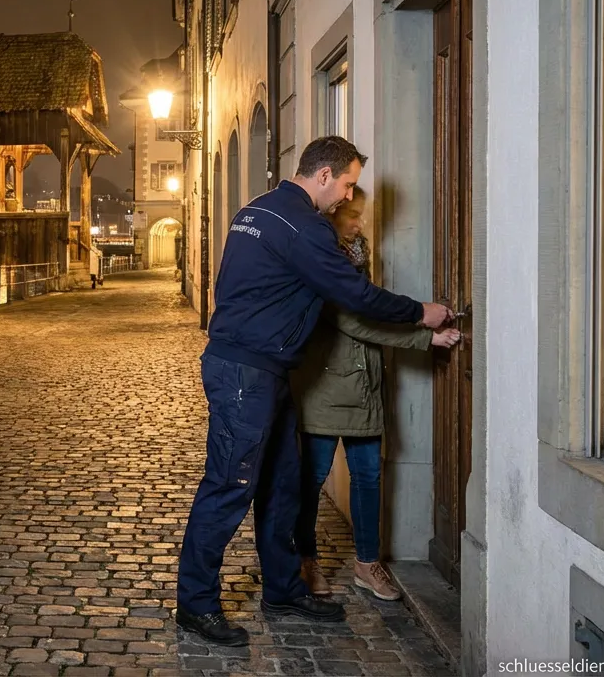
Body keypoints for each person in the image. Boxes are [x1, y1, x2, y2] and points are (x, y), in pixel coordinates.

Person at [175, 136, 451, 646]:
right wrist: (420, 313)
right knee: (229, 486)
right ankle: (195, 605)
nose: (348, 196)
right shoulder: (304, 225)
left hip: (263, 369)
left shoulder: (256, 210)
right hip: (247, 374)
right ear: (323, 176)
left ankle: (283, 589)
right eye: (347, 184)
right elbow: (354, 294)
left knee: (283, 485)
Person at [290, 186, 461, 602]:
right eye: (352, 214)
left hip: (364, 386)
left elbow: (369, 313)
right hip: (325, 386)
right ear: (332, 216)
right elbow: (355, 322)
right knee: (311, 481)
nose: (360, 223)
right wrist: (424, 335)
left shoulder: (358, 257)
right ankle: (305, 561)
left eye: (362, 214)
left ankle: (367, 564)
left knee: (368, 478)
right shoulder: (322, 259)